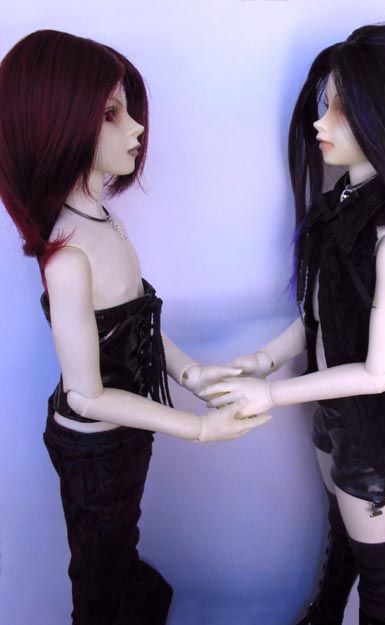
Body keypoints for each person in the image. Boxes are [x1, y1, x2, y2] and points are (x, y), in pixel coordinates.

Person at [0, 30, 270, 625]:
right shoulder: (69, 259)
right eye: (111, 113)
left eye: (127, 110)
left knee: (120, 551)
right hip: (93, 447)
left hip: (125, 435)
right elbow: (86, 395)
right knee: (99, 580)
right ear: (57, 122)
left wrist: (192, 372)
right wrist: (198, 429)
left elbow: (134, 323)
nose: (137, 128)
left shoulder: (106, 223)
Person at [202, 23, 385, 625]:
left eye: (344, 108)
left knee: (380, 585)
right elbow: (323, 314)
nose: (321, 123)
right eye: (327, 103)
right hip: (330, 407)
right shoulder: (342, 206)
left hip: (369, 426)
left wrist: (271, 392)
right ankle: (323, 614)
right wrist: (265, 359)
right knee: (341, 532)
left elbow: (380, 373)